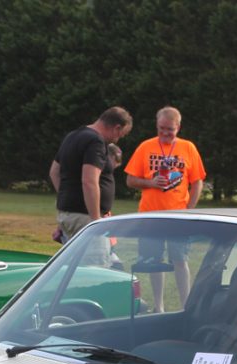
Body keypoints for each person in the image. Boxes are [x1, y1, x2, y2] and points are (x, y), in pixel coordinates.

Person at [124, 106, 206, 311]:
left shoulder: (188, 148)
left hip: (178, 216)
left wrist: (189, 209)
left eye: (170, 129)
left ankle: (185, 306)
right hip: (150, 216)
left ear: (178, 127)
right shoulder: (146, 147)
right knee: (154, 261)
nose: (165, 133)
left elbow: (197, 182)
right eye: (161, 128)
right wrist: (151, 183)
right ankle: (159, 306)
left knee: (180, 259)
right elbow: (130, 180)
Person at [49, 107, 133, 243]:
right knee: (94, 263)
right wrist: (96, 220)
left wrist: (69, 196)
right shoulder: (96, 141)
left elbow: (54, 171)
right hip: (85, 218)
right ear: (117, 127)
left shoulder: (73, 135)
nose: (116, 140)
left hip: (68, 214)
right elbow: (89, 180)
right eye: (120, 135)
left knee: (75, 262)